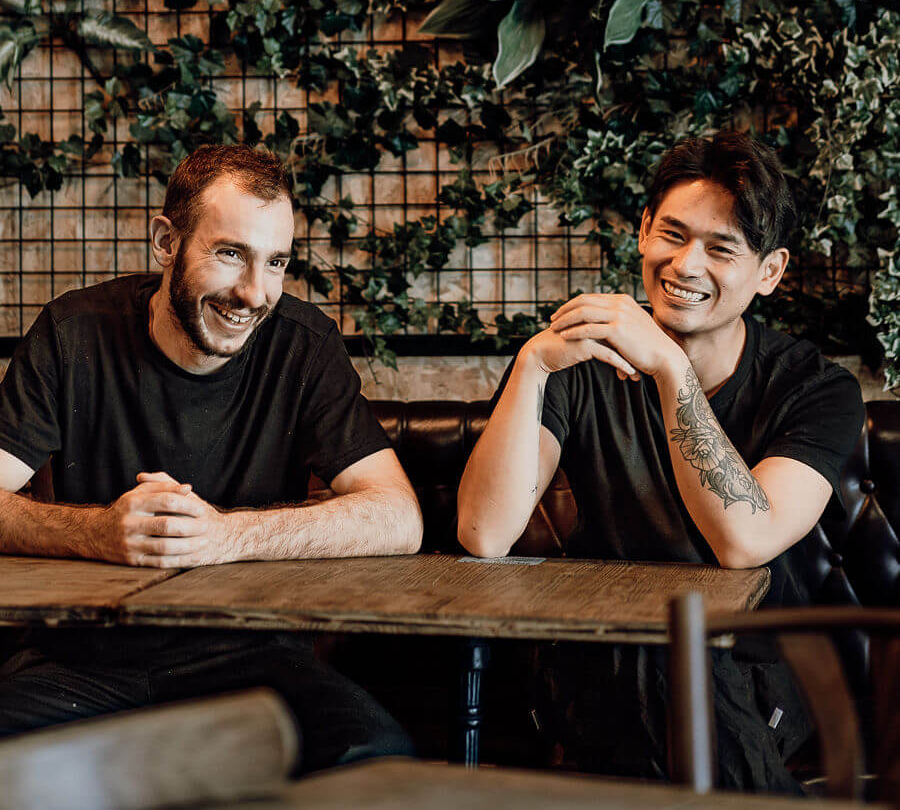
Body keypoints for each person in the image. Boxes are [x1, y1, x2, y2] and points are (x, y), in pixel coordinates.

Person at [457, 130, 864, 792]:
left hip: (756, 670)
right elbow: (483, 532)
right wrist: (532, 366)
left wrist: (670, 369)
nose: (686, 264)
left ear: (770, 272)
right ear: (643, 231)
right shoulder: (577, 360)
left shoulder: (815, 390)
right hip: (598, 663)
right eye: (672, 234)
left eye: (721, 249)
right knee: (641, 647)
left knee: (669, 653)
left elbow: (744, 540)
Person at [0, 143, 423, 772]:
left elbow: (399, 518)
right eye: (231, 254)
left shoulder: (302, 345)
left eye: (276, 263)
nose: (254, 293)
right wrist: (97, 532)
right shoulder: (73, 330)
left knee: (376, 759)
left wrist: (223, 535)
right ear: (167, 241)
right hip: (82, 657)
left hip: (251, 660)